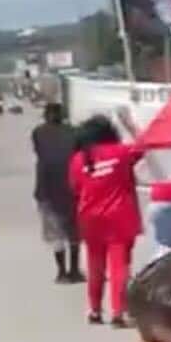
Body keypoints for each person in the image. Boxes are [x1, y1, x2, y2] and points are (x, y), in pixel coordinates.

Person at [69, 107, 143, 328]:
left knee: (95, 265)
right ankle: (119, 311)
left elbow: (75, 188)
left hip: (90, 218)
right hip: (120, 216)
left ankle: (94, 310)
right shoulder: (121, 153)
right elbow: (145, 144)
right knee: (119, 265)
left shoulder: (78, 160)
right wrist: (129, 124)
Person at [31, 102, 83, 283]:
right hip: (72, 188)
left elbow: (39, 153)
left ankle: (61, 273)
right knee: (74, 232)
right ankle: (75, 270)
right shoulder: (74, 132)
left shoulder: (38, 132)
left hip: (46, 189)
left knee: (56, 234)